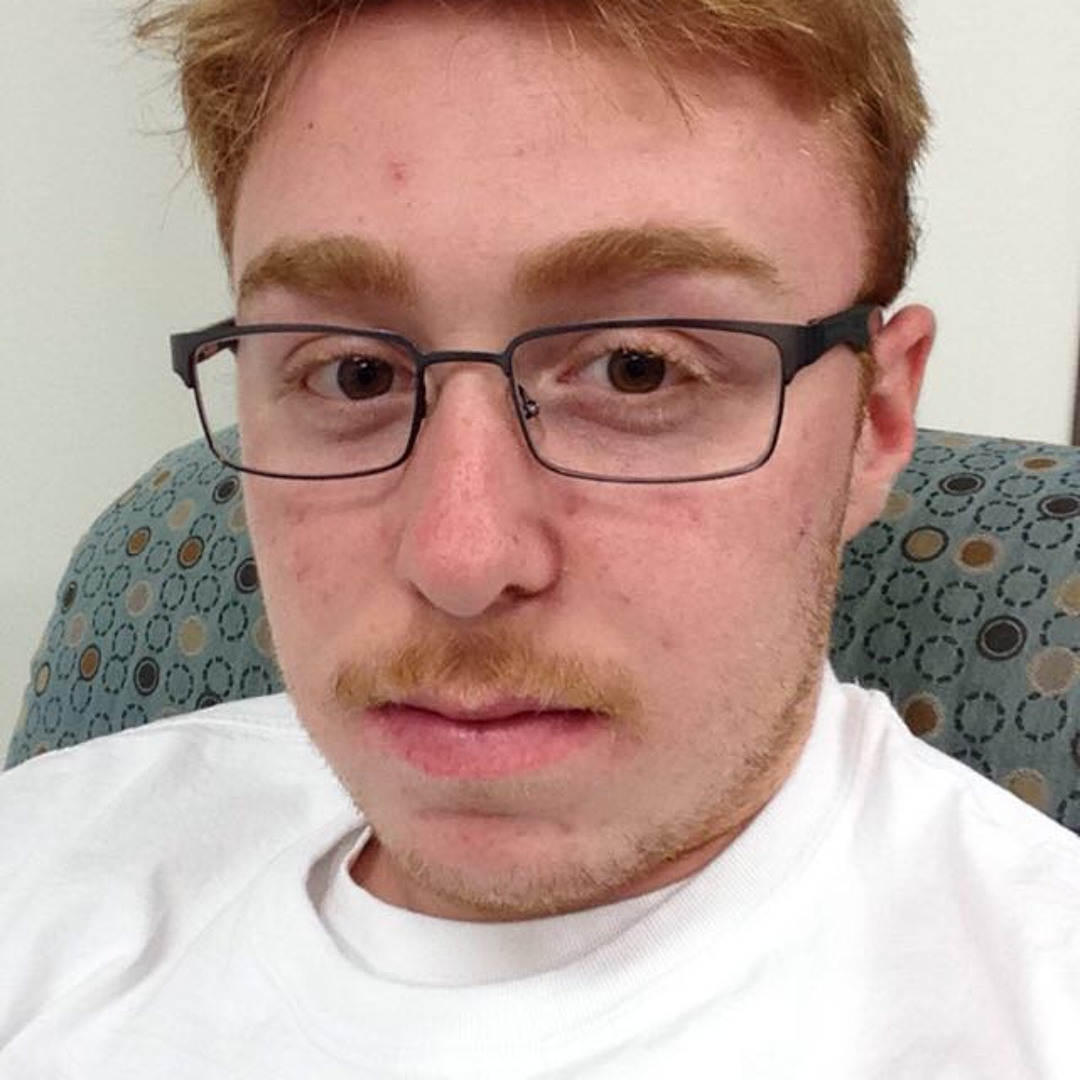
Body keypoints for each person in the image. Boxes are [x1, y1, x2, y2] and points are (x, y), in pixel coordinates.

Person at [0, 0, 1077, 1075]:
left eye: (638, 370)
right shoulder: (54, 852)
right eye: (354, 374)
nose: (461, 560)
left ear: (875, 421)